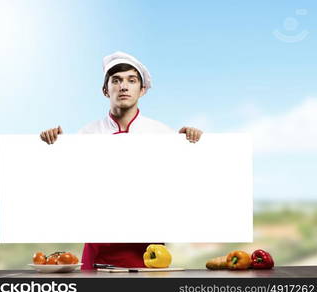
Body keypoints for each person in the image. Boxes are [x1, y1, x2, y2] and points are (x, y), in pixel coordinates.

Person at [40, 51, 203, 270]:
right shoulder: (86, 135)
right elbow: (62, 189)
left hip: (147, 253)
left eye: (131, 80)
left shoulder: (164, 135)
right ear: (105, 90)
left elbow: (185, 189)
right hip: (98, 251)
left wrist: (194, 145)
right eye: (116, 81)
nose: (123, 86)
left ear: (142, 90)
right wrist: (51, 147)